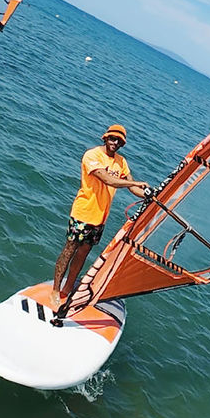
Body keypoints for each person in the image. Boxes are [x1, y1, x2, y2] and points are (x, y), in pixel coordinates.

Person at [53, 125, 150, 300]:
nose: (115, 143)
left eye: (120, 141)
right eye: (113, 138)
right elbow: (107, 179)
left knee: (83, 253)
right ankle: (55, 290)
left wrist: (150, 195)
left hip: (100, 218)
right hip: (83, 213)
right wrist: (135, 184)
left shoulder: (121, 162)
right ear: (105, 138)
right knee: (69, 250)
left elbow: (133, 188)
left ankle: (67, 289)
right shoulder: (92, 155)